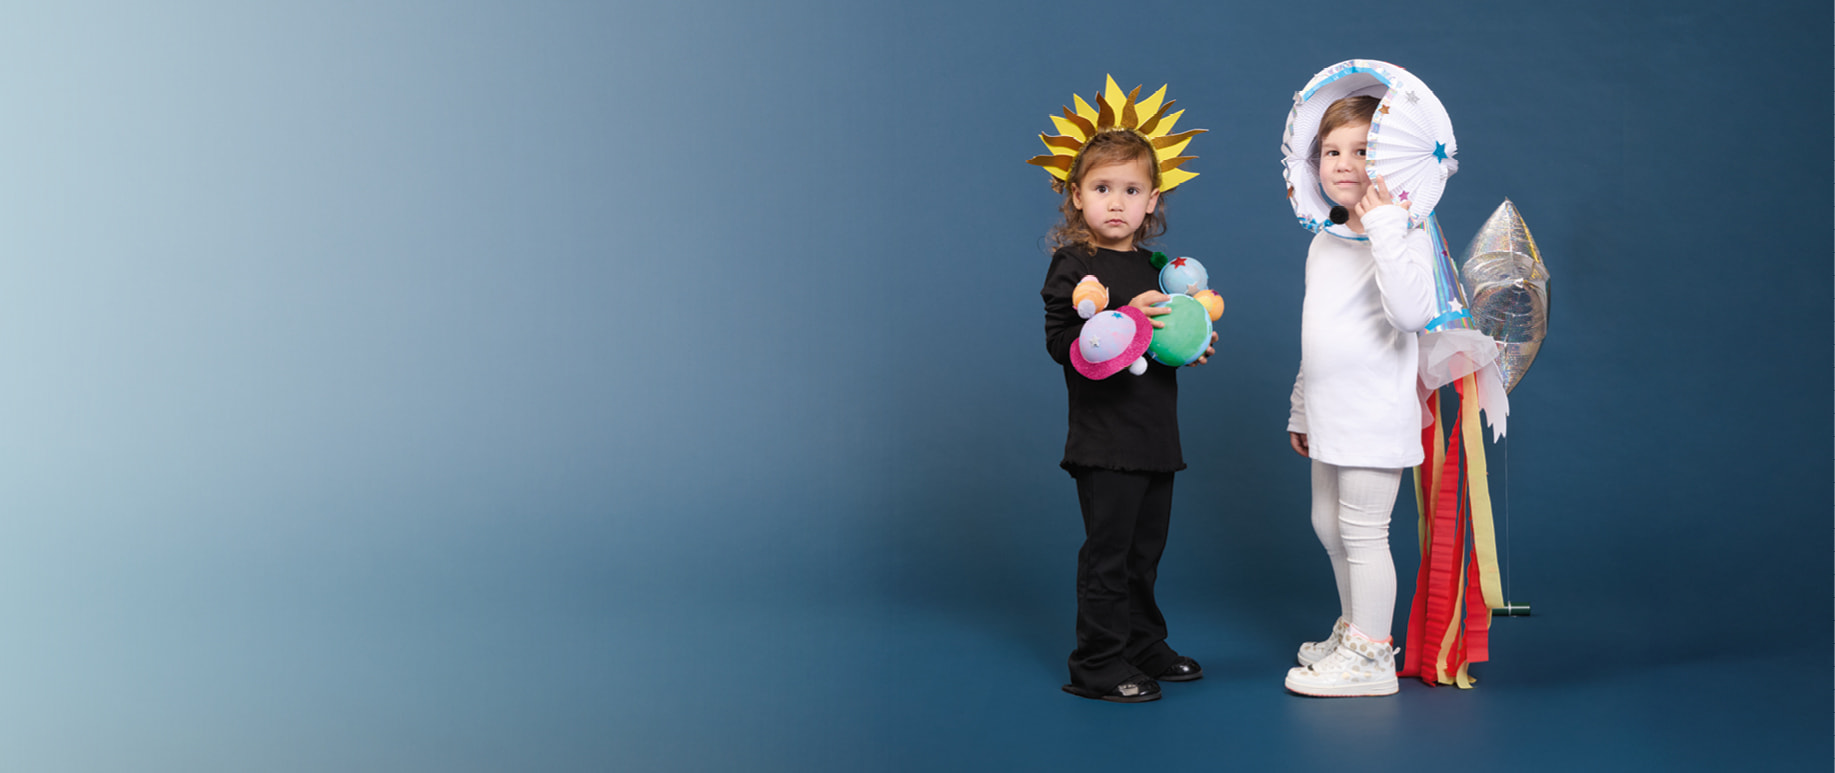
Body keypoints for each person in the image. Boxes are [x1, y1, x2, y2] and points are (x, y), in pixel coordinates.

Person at [1031, 79, 1217, 703]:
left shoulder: (1158, 270)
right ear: (1076, 195)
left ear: (1153, 199)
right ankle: (1097, 663)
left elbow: (1168, 343)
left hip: (1156, 436)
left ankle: (1142, 643)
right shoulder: (1073, 268)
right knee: (1108, 555)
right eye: (1102, 188)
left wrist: (1190, 343)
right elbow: (1063, 344)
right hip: (1103, 441)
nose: (1117, 203)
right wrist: (1125, 320)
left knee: (1145, 552)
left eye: (1131, 190)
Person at [1282, 93, 1438, 698]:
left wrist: (1385, 227)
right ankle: (1355, 632)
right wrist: (1301, 405)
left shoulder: (1403, 233)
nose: (1344, 163)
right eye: (1332, 151)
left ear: (1394, 159)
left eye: (1364, 150)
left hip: (1374, 412)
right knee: (1328, 525)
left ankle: (1373, 656)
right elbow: (1315, 332)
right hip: (1328, 410)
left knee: (1365, 531)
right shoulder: (1324, 241)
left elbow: (1410, 313)